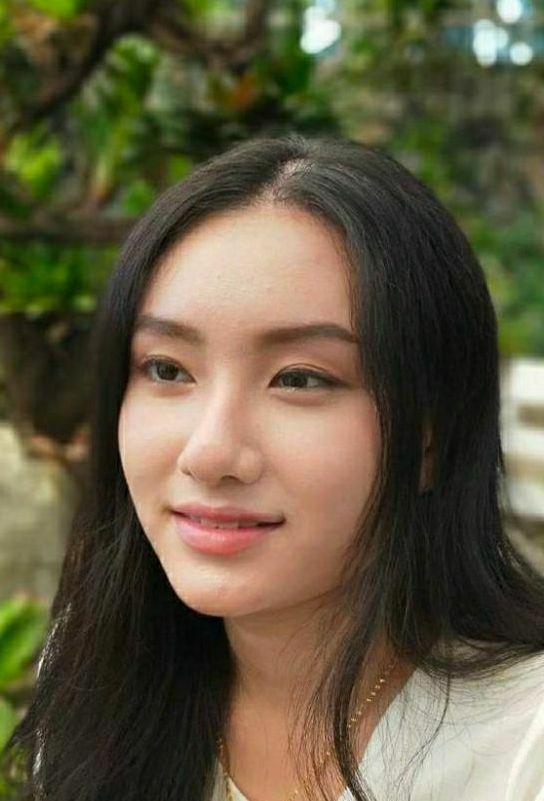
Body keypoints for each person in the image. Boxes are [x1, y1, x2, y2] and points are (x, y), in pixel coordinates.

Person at [5, 135, 544, 801]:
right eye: (167, 369)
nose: (209, 454)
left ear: (430, 438)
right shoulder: (100, 677)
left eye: (299, 378)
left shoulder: (521, 747)